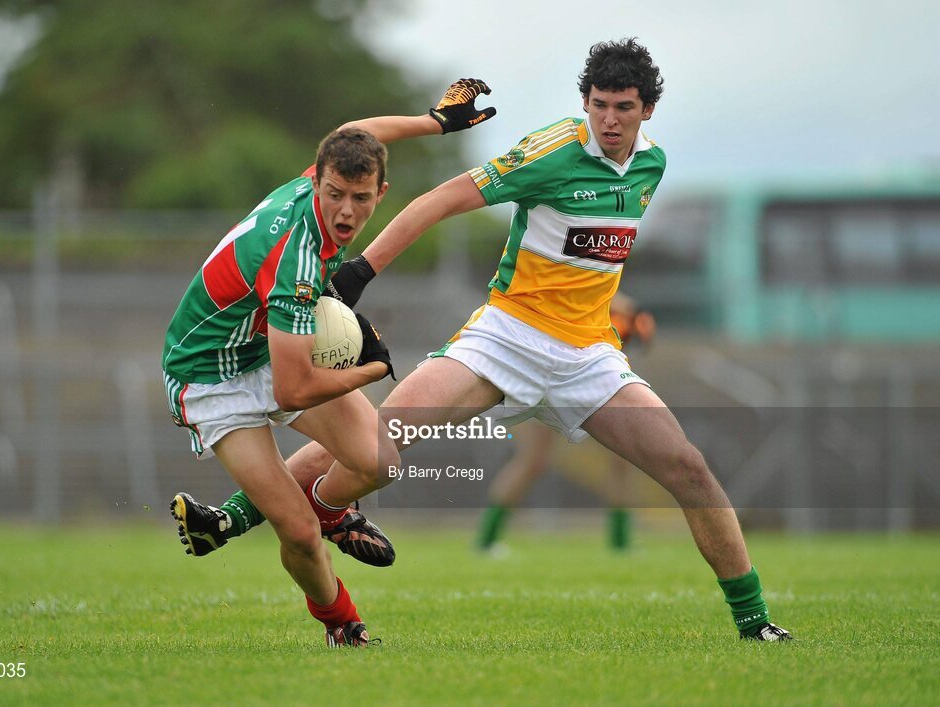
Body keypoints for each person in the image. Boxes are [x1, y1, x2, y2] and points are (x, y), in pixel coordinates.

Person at [182, 39, 793, 642]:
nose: (609, 119)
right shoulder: (549, 153)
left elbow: (593, 258)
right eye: (599, 104)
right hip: (505, 338)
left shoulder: (652, 166)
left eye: (624, 107)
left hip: (588, 356)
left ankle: (754, 621)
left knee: (689, 469)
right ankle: (245, 517)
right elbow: (440, 199)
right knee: (378, 439)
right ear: (585, 100)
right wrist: (359, 272)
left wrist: (622, 313)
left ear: (647, 111)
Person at [161, 79, 497, 647]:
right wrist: (373, 365)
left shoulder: (314, 180)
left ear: (380, 193)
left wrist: (435, 122)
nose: (347, 212)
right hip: (209, 375)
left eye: (361, 199)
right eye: (336, 194)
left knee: (378, 464)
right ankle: (343, 625)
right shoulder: (292, 260)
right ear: (316, 181)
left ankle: (324, 509)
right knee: (297, 534)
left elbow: (358, 134)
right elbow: (293, 390)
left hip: (267, 344)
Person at [476, 293, 656, 554]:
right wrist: (633, 313)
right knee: (534, 460)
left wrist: (633, 321)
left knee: (621, 458)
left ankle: (620, 542)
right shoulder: (551, 275)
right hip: (543, 367)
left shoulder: (597, 276)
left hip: (584, 373)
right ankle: (486, 540)